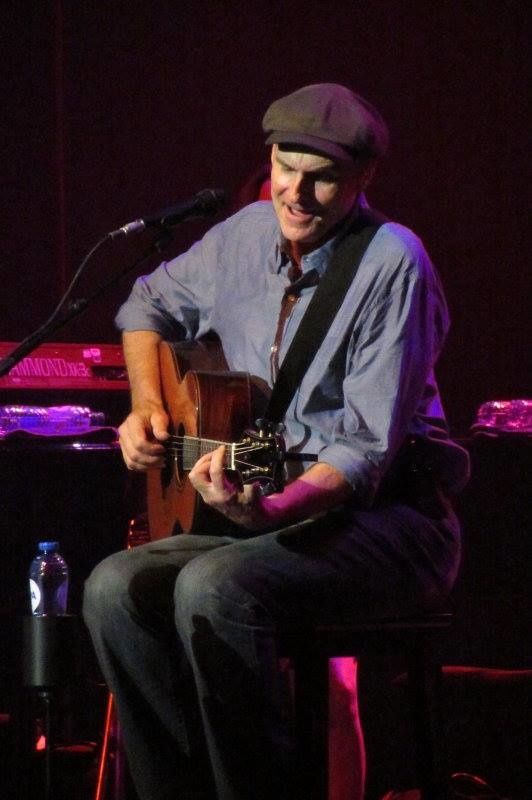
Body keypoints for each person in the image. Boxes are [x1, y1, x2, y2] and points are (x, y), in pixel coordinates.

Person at [83, 83, 469, 800]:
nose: (296, 192)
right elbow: (145, 305)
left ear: (364, 177)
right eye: (285, 167)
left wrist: (266, 512)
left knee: (214, 586)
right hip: (271, 507)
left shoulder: (393, 263)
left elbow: (362, 455)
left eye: (322, 177)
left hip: (391, 523)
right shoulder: (242, 236)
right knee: (113, 588)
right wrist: (146, 407)